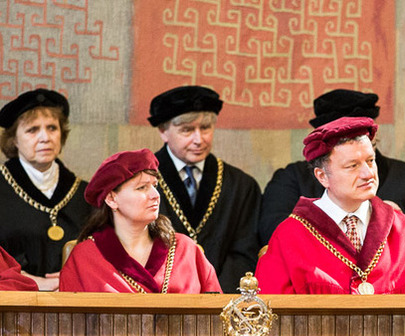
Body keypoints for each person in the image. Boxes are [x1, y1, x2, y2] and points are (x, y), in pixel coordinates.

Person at [258, 89, 405, 291]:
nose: (368, 174)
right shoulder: (290, 236)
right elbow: (271, 317)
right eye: (352, 165)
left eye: (371, 161)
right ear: (322, 176)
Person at [148, 85, 260, 293]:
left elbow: (243, 254)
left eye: (205, 128)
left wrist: (214, 298)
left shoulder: (241, 186)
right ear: (163, 131)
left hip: (223, 301)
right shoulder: (143, 183)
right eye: (187, 130)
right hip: (162, 300)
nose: (199, 139)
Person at [59, 149, 221, 293]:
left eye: (154, 186)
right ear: (111, 199)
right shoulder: (85, 257)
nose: (155, 195)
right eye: (142, 187)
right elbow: (70, 322)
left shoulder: (186, 249)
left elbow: (219, 314)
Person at [0, 89, 89, 291]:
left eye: (52, 128)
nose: (45, 138)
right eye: (32, 130)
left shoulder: (86, 194)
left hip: (75, 304)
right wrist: (34, 282)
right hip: (11, 305)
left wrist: (75, 275)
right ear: (14, 139)